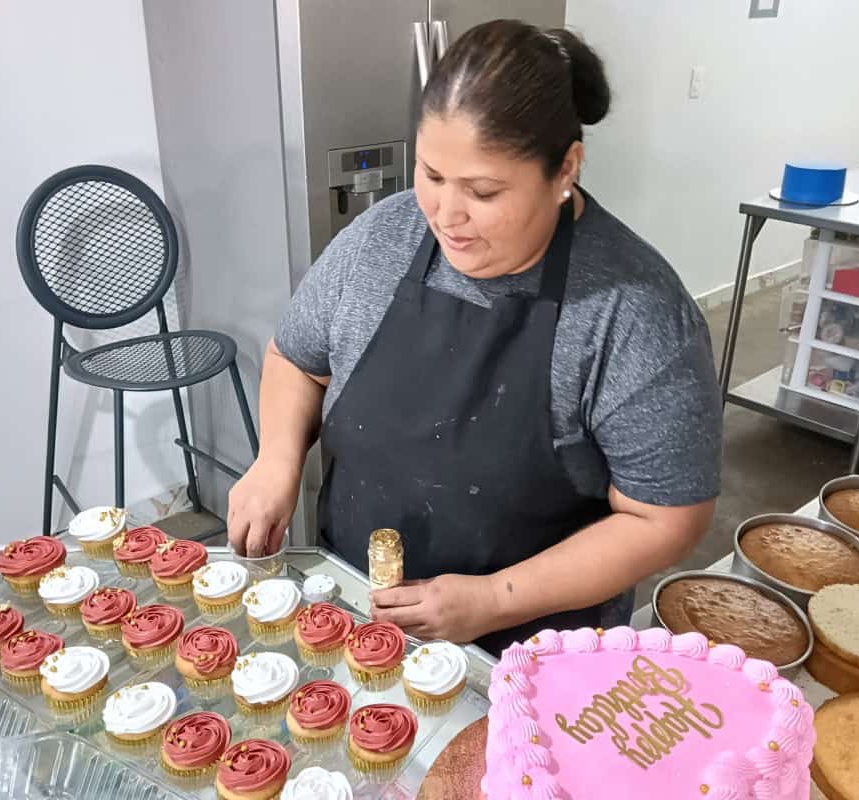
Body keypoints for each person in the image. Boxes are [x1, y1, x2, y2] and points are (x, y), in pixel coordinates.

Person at [227, 20, 721, 655]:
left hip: (532, 657)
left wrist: (493, 601)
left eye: (483, 191)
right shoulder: (380, 241)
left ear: (565, 167)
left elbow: (665, 518)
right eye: (431, 175)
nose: (445, 216)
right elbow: (296, 359)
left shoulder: (634, 311)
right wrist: (276, 460)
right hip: (355, 615)